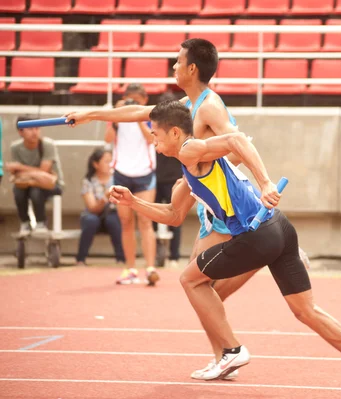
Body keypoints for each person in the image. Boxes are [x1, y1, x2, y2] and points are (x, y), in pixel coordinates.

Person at [108, 100, 341, 399]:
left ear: (174, 133)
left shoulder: (191, 150)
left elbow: (236, 139)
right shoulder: (189, 165)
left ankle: (232, 350)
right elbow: (173, 216)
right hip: (279, 228)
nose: (152, 139)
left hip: (256, 234)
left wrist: (266, 183)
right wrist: (133, 202)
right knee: (306, 311)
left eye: (155, 134)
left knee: (191, 279)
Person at [64, 38, 309, 379]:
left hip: (223, 204)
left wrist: (200, 172)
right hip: (205, 202)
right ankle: (225, 355)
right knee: (202, 288)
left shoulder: (210, 107)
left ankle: (230, 348)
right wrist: (90, 114)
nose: (173, 68)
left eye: (178, 62)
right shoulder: (186, 103)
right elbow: (136, 112)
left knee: (197, 283)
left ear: (192, 68)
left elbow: (238, 146)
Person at [104, 83, 159, 286]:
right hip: (121, 173)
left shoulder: (152, 117)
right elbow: (108, 138)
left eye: (137, 101)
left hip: (144, 174)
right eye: (130, 100)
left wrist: (136, 117)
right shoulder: (117, 117)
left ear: (144, 101)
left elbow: (151, 140)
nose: (133, 104)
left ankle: (151, 268)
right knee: (126, 222)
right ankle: (130, 268)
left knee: (145, 221)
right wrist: (117, 116)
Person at [7, 115, 64, 235]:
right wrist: (31, 172)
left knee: (35, 190)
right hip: (27, 183)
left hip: (52, 184)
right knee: (18, 191)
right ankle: (25, 222)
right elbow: (17, 174)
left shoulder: (47, 145)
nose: (35, 132)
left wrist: (21, 167)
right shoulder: (15, 147)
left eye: (37, 128)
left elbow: (43, 172)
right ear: (20, 131)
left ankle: (41, 222)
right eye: (30, 129)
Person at [76, 148, 125, 266]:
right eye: (106, 161)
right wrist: (105, 197)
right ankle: (80, 259)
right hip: (94, 215)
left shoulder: (117, 179)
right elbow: (92, 208)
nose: (110, 165)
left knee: (114, 220)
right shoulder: (88, 181)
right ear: (95, 164)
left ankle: (122, 259)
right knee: (90, 220)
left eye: (111, 161)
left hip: (112, 214)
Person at [154, 91, 183, 267]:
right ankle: (165, 253)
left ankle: (173, 255)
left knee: (174, 215)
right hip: (158, 177)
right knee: (158, 216)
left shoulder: (178, 128)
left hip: (172, 177)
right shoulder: (156, 127)